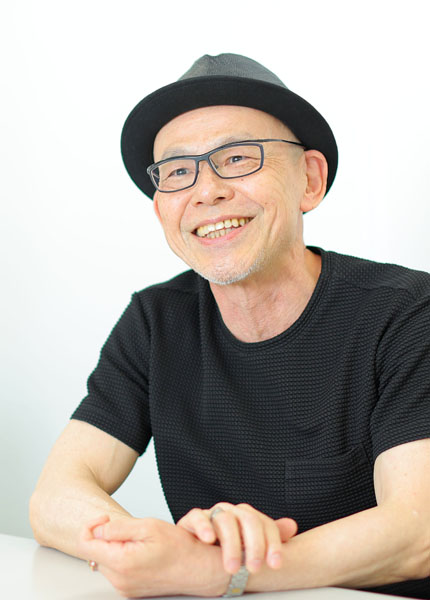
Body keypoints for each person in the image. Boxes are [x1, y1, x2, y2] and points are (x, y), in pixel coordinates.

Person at [30, 53, 430, 599]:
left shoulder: (407, 313)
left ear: (309, 180)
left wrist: (217, 571)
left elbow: (417, 531)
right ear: (161, 209)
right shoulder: (155, 322)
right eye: (177, 172)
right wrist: (148, 549)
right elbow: (55, 497)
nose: (207, 191)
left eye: (238, 158)